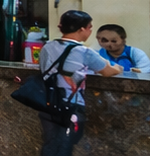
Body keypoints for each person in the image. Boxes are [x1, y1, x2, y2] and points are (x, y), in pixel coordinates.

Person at [38, 10, 121, 156]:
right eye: (90, 27)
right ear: (82, 29)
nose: (90, 30)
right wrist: (117, 68)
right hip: (71, 106)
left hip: (47, 104)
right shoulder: (83, 52)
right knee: (65, 146)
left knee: (50, 144)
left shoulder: (47, 47)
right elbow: (108, 71)